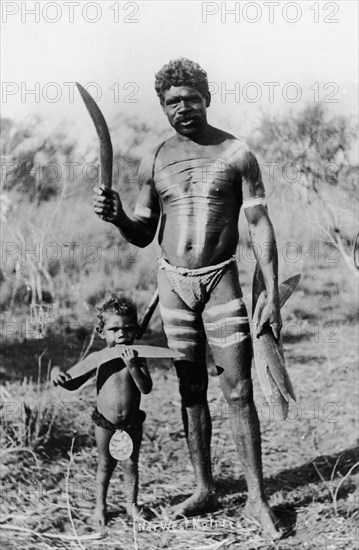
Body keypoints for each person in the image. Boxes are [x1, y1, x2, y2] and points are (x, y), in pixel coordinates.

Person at [93, 58, 284, 539]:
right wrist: (117, 217)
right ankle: (205, 489)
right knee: (190, 387)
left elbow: (259, 224)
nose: (183, 108)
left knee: (238, 390)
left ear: (207, 98)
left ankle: (257, 499)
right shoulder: (154, 159)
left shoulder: (237, 153)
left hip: (220, 279)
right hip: (173, 284)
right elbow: (142, 234)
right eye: (172, 101)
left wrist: (272, 292)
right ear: (162, 107)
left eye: (191, 99)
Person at [51, 294, 152, 526]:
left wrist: (133, 366)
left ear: (136, 331)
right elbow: (72, 382)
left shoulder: (139, 358)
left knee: (130, 465)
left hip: (132, 423)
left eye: (128, 329)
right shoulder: (99, 358)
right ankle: (100, 507)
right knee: (105, 466)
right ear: (101, 332)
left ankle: (131, 504)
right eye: (114, 329)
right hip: (104, 424)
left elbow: (146, 388)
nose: (121, 334)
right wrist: (58, 373)